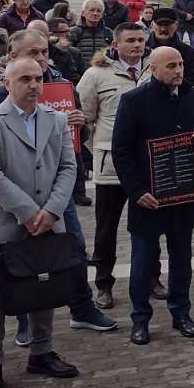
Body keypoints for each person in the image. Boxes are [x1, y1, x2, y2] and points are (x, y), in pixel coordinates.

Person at [0, 57, 81, 388]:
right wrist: (29, 212)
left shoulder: (56, 120)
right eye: (25, 79)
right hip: (3, 224)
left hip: (48, 221)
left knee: (43, 290)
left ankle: (41, 352)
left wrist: (51, 210)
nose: (34, 85)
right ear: (8, 84)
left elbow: (68, 168)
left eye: (39, 79)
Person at [110, 47, 194, 344]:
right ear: (153, 69)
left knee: (181, 259)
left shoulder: (193, 97)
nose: (179, 70)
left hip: (182, 195)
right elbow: (122, 151)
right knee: (143, 261)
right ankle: (140, 318)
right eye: (171, 65)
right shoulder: (134, 101)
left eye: (181, 64)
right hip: (148, 197)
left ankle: (181, 312)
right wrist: (137, 191)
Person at [77, 21, 149, 308]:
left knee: (149, 227)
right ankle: (103, 282)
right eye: (131, 40)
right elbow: (85, 119)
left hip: (147, 164)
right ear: (116, 44)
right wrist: (101, 149)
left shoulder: (152, 69)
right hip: (111, 167)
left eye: (141, 40)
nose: (137, 45)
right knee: (106, 227)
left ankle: (151, 276)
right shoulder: (96, 74)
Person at [69, 0, 114, 69]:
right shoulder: (73, 32)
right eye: (92, 10)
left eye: (98, 11)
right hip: (80, 74)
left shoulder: (108, 33)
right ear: (83, 13)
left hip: (103, 71)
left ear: (102, 15)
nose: (95, 13)